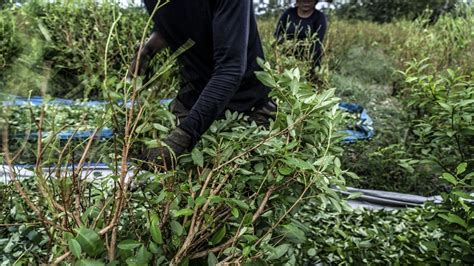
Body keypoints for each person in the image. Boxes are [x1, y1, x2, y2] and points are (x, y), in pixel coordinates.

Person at [128, 0, 276, 170]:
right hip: (192, 97)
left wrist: (182, 137)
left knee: (240, 182)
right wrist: (149, 48)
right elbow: (177, 18)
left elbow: (230, 69)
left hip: (247, 106)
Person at [275, 0, 327, 69]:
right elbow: (278, 34)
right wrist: (286, 48)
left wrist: (304, 62)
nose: (306, 2)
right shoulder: (289, 13)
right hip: (287, 59)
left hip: (309, 62)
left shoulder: (319, 17)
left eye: (310, 0)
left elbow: (317, 42)